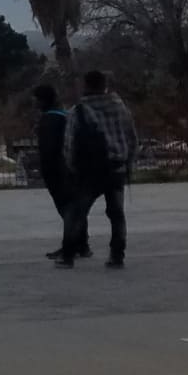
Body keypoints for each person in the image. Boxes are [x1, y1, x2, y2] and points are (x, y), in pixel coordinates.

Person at [59, 69, 139, 269]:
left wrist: (72, 168)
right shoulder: (121, 108)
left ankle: (68, 254)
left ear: (85, 86)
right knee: (117, 214)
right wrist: (128, 163)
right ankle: (117, 254)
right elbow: (133, 139)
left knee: (77, 212)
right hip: (116, 168)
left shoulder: (79, 111)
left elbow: (68, 145)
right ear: (105, 85)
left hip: (89, 171)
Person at [33, 84, 90, 262]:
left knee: (67, 209)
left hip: (57, 171)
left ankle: (72, 246)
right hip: (71, 168)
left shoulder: (49, 121)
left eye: (36, 100)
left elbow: (49, 150)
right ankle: (81, 244)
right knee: (73, 207)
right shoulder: (65, 116)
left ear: (42, 100)